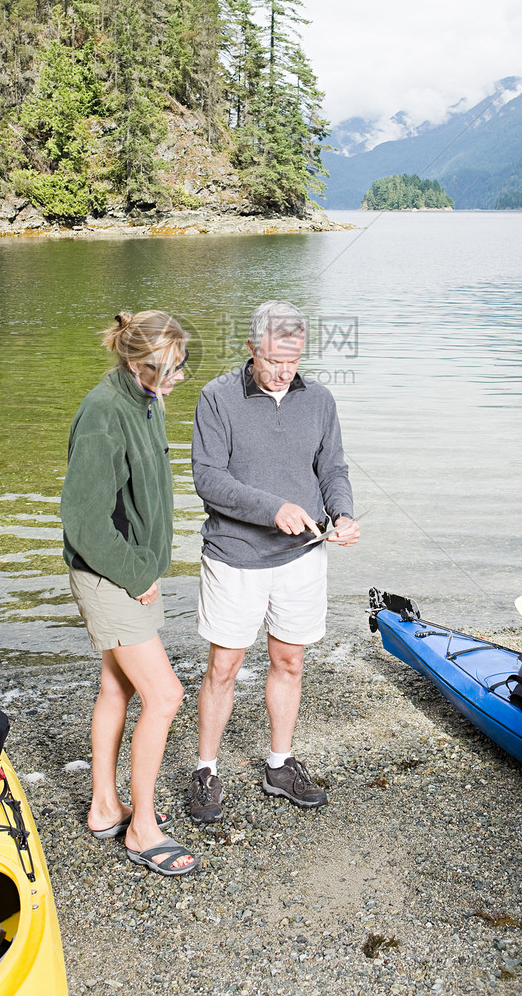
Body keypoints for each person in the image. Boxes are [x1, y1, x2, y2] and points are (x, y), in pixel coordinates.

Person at [188, 300, 360, 823]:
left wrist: (343, 513)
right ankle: (205, 769)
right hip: (235, 557)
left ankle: (279, 766)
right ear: (251, 350)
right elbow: (209, 481)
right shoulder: (216, 398)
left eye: (293, 360)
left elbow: (332, 468)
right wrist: (274, 508)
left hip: (302, 557)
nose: (284, 372)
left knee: (290, 662)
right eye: (273, 361)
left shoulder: (320, 400)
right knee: (225, 666)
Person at [61, 310, 200, 877]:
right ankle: (142, 828)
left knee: (116, 685)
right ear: (131, 360)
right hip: (110, 573)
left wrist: (148, 564)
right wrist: (137, 574)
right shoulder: (104, 410)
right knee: (165, 697)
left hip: (131, 570)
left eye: (179, 366)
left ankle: (103, 807)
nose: (174, 377)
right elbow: (84, 521)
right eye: (162, 369)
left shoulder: (147, 398)